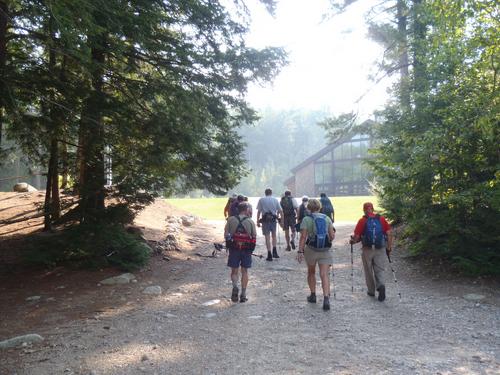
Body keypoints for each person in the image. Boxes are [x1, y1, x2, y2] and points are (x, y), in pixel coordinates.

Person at [297, 198, 335, 311]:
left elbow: (303, 237)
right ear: (320, 207)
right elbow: (332, 237)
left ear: (308, 208)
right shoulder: (327, 218)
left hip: (311, 250)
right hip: (324, 250)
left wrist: (300, 251)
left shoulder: (306, 219)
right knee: (324, 274)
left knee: (311, 272)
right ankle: (326, 298)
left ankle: (313, 295)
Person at [349, 202, 393, 302]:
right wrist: (389, 247)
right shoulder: (381, 219)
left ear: (364, 210)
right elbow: (389, 233)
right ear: (373, 209)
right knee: (379, 269)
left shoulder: (362, 220)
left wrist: (352, 241)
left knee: (368, 270)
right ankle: (381, 285)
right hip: (380, 248)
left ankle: (371, 291)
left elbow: (356, 237)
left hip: (367, 249)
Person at [224, 202, 257, 303]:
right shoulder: (250, 222)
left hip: (234, 248)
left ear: (238, 209)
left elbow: (226, 234)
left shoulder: (231, 220)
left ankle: (235, 286)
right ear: (246, 210)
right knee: (245, 271)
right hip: (246, 250)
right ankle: (243, 294)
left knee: (234, 271)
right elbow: (254, 236)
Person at [256, 188, 283, 261]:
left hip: (265, 221)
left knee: (267, 237)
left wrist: (257, 221)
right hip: (273, 220)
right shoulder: (275, 200)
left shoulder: (261, 200)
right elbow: (281, 211)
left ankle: (269, 254)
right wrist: (282, 221)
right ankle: (275, 251)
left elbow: (259, 211)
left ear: (265, 193)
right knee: (274, 236)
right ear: (271, 193)